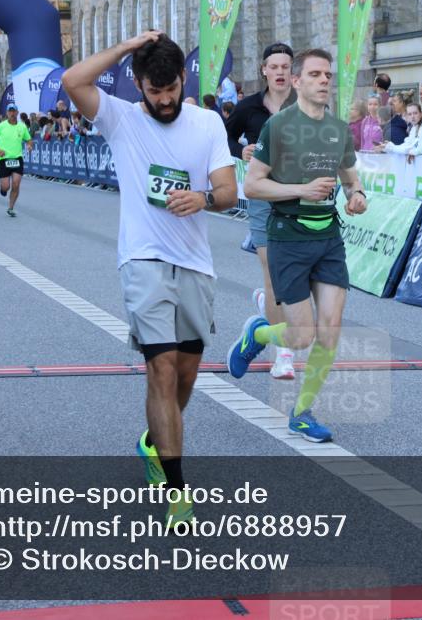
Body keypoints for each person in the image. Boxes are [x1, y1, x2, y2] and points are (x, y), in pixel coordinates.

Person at [63, 31, 237, 525]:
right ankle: (177, 489)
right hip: (142, 260)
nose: (164, 101)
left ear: (184, 79)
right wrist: (123, 47)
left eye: (171, 89)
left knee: (185, 374)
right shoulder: (121, 119)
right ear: (139, 84)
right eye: (153, 91)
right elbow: (74, 79)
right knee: (160, 368)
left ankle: (153, 442)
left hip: (196, 264)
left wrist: (202, 198)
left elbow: (227, 191)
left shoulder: (206, 123)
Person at [231, 48, 368, 444]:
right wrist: (300, 190)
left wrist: (357, 196)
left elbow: (350, 178)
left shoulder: (339, 129)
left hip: (328, 238)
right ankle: (257, 335)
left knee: (330, 330)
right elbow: (252, 185)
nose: (324, 80)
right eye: (315, 74)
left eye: (328, 75)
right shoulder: (278, 127)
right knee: (302, 335)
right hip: (288, 238)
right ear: (297, 82)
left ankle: (302, 413)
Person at [223, 42, 299, 380]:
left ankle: (262, 313)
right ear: (264, 71)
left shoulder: (306, 104)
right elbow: (223, 138)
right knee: (275, 276)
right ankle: (283, 353)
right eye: (274, 66)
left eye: (286, 66)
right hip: (261, 198)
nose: (280, 72)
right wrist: (241, 149)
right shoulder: (248, 107)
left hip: (299, 199)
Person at [0, 103, 33, 217]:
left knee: (16, 183)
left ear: (17, 113)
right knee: (6, 187)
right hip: (3, 159)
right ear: (7, 113)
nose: (12, 113)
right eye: (10, 111)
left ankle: (11, 207)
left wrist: (29, 145)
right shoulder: (0, 126)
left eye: (14, 111)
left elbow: (29, 139)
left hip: (17, 158)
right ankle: (3, 189)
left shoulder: (22, 127)